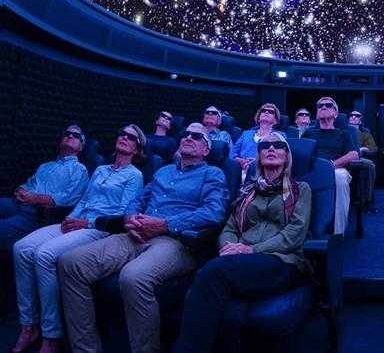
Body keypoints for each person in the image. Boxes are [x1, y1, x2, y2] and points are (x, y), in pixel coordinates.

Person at [58, 123, 228, 353]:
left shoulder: (213, 174)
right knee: (70, 263)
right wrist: (129, 217)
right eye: (185, 134)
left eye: (196, 136)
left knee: (133, 277)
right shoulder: (163, 171)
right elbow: (138, 200)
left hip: (176, 242)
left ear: (207, 150)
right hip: (135, 233)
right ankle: (86, 349)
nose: (188, 137)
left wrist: (167, 224)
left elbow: (213, 212)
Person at [10, 125, 146, 353]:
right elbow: (84, 200)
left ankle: (50, 334)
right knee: (21, 248)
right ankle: (28, 325)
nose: (123, 137)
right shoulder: (101, 170)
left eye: (130, 137)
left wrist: (86, 223)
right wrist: (71, 218)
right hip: (76, 221)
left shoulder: (135, 175)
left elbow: (123, 213)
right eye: (121, 133)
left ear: (137, 149)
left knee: (43, 255)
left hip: (100, 229)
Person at [173, 133, 311, 353]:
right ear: (259, 155)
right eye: (265, 145)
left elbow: (295, 233)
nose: (271, 148)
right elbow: (229, 228)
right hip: (240, 259)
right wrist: (231, 248)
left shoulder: (299, 189)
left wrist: (251, 249)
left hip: (280, 260)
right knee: (219, 292)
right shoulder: (248, 191)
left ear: (287, 156)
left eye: (278, 145)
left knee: (211, 273)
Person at [1, 126, 89, 261]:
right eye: (67, 134)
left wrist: (36, 198)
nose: (70, 136)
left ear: (81, 147)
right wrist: (20, 190)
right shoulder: (45, 166)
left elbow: (68, 199)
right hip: (19, 203)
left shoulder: (80, 169)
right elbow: (29, 184)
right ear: (60, 142)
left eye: (75, 136)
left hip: (39, 214)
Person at [302, 97, 359, 234]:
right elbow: (300, 152)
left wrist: (331, 165)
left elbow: (353, 154)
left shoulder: (344, 134)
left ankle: (338, 234)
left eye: (328, 105)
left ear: (335, 113)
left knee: (339, 177)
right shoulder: (309, 133)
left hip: (336, 169)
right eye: (320, 106)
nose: (323, 107)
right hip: (312, 170)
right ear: (316, 114)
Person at [231, 103, 286, 173]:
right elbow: (232, 153)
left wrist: (258, 162)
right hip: (242, 171)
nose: (266, 112)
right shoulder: (246, 134)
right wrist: (239, 160)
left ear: (275, 121)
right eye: (263, 110)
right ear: (258, 118)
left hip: (266, 172)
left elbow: (281, 157)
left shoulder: (280, 136)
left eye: (271, 112)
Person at [348, 110, 378, 214]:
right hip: (343, 156)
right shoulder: (343, 131)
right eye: (351, 115)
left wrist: (362, 149)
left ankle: (367, 200)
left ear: (360, 121)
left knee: (370, 165)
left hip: (358, 158)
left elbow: (373, 148)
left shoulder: (365, 134)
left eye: (356, 116)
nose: (353, 117)